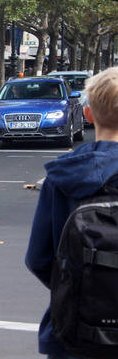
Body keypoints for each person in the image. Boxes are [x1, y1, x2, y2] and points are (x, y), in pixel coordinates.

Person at [26, 67, 118, 359]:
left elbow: (39, 258)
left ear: (89, 116)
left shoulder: (64, 176)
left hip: (76, 330)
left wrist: (80, 284)